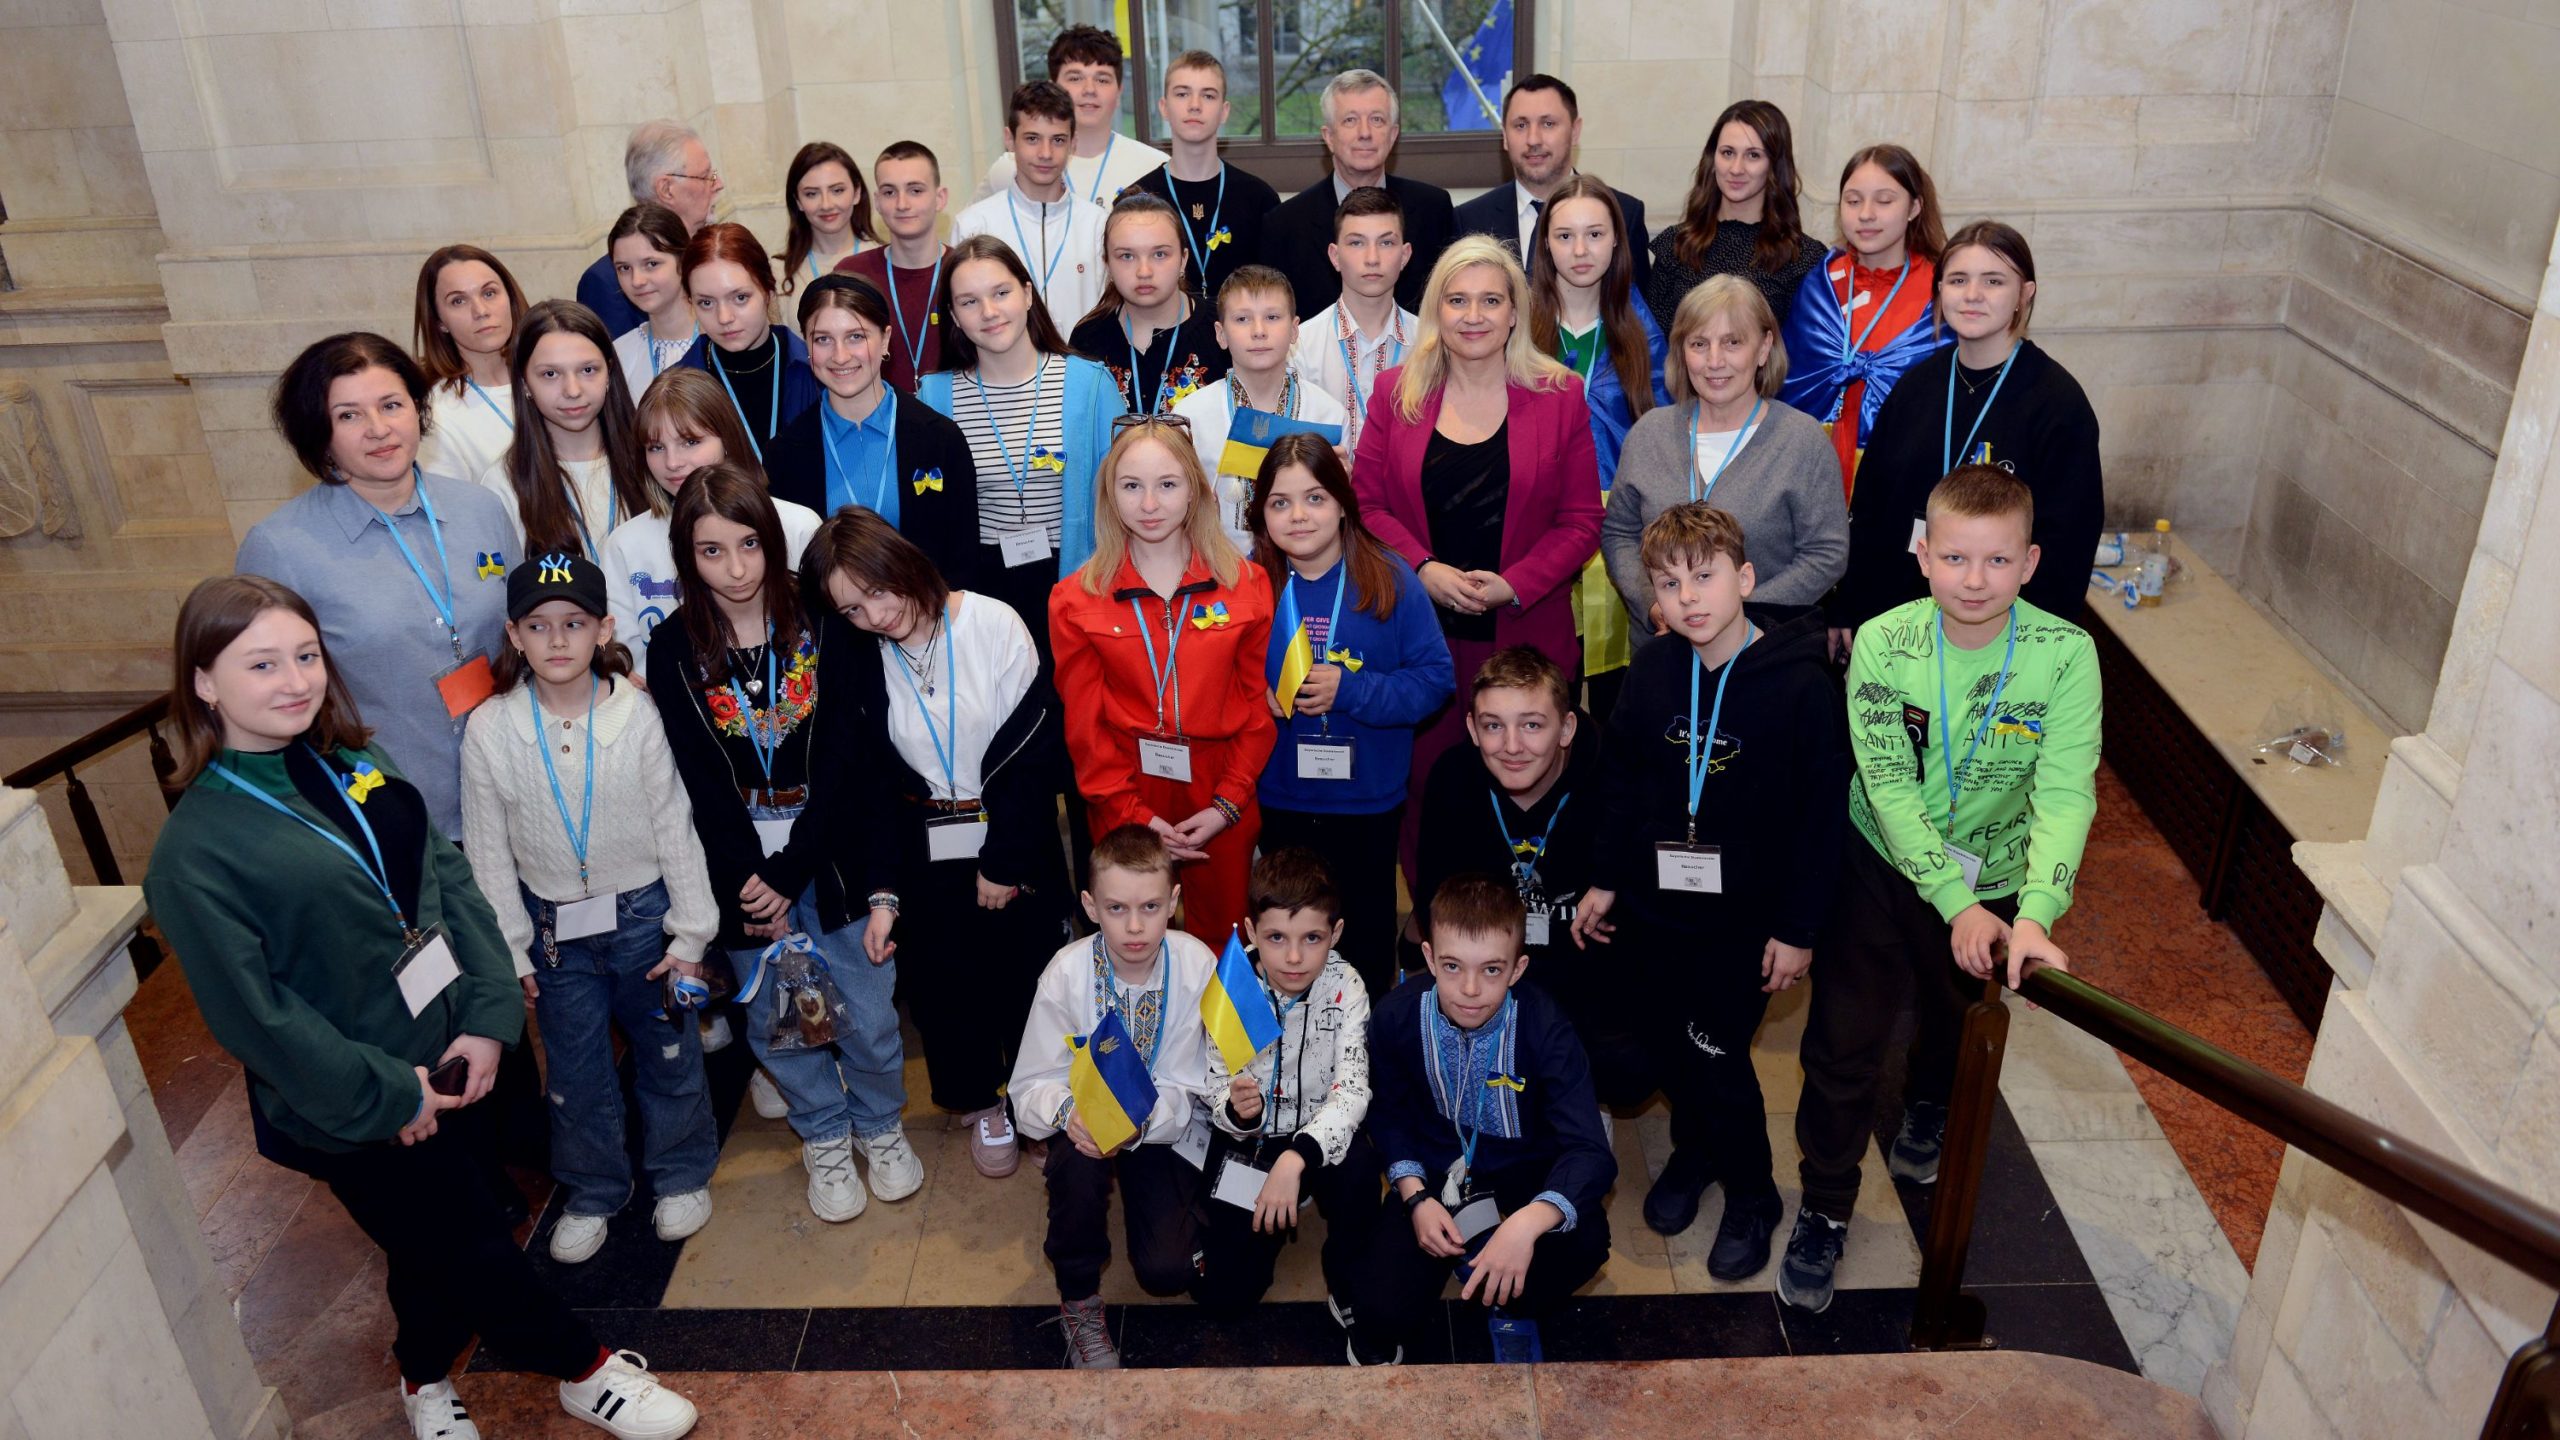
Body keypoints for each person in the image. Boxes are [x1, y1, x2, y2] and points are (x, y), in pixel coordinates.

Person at [144, 574, 700, 1440]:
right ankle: (585, 1371)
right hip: (352, 1098)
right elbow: (258, 1018)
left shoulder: (361, 761)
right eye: (261, 664)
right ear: (205, 683)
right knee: (471, 1238)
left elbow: (451, 891)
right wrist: (389, 1094)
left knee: (426, 1243)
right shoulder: (197, 849)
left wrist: (485, 1023)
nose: (295, 680)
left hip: (455, 1055)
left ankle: (422, 1375)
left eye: (305, 655)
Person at [1783, 465, 2097, 1315]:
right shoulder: (1884, 642)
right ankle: (1825, 1204)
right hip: (1881, 868)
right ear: (1922, 555)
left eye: (1997, 562)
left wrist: (2033, 914)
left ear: (2030, 563)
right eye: (1955, 557)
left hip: (1992, 886)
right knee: (1844, 1043)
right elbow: (1889, 787)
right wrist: (1950, 902)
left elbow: (2066, 793)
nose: (1974, 580)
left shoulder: (2067, 656)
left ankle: (1925, 1105)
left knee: (1954, 1028)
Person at [1571, 504, 1847, 1270]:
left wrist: (1799, 930)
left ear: (1745, 577)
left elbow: (1823, 819)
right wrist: (1602, 879)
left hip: (1748, 924)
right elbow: (1621, 777)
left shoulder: (1800, 687)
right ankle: (1697, 1153)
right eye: (1669, 582)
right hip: (1659, 910)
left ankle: (1755, 1195)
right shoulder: (1658, 667)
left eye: (1705, 575)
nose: (1689, 596)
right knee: (1671, 1044)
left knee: (1716, 1054)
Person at [647, 464, 920, 1224]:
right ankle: (825, 1135)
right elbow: (695, 780)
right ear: (685, 557)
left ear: (772, 541)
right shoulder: (671, 649)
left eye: (748, 544)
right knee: (785, 1020)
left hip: (828, 854)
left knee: (864, 1012)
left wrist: (793, 865)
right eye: (710, 552)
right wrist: (748, 879)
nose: (734, 569)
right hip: (739, 872)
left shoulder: (825, 621)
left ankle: (880, 1122)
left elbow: (848, 759)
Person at [459, 552, 721, 1265]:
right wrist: (510, 950)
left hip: (644, 919)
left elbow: (675, 824)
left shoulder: (636, 715)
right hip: (553, 934)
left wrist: (692, 932)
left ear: (604, 629)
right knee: (574, 1070)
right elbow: (487, 854)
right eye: (538, 627)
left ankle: (680, 1173)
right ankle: (595, 1187)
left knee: (668, 1052)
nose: (557, 641)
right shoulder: (491, 729)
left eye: (574, 624)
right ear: (513, 636)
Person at [808, 508, 1070, 1179]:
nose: (873, 614)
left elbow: (1034, 756)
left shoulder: (992, 622)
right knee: (946, 986)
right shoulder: (862, 661)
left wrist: (1005, 860)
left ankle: (1037, 1101)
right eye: (851, 610)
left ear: (902, 563)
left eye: (876, 590)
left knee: (1030, 979)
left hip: (1010, 834)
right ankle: (981, 1102)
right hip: (925, 845)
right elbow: (873, 792)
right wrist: (885, 896)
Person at [1349, 236, 1602, 868]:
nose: (1474, 315)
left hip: (1524, 628)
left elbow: (1581, 520)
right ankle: (1434, 921)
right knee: (1432, 787)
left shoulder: (1560, 394)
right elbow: (1367, 506)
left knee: (1528, 781)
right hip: (1421, 634)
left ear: (1516, 310)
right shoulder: (1393, 393)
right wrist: (1424, 571)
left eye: (1491, 300)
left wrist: (1513, 583)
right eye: (1457, 300)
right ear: (1437, 310)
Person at [239, 332, 514, 842]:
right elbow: (262, 704)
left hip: (514, 796)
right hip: (388, 813)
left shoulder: (481, 510)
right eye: (348, 415)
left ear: (418, 408)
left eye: (391, 405)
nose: (378, 429)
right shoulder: (280, 548)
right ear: (318, 433)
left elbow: (525, 635)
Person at [1350, 872, 1614, 1367]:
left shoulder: (1546, 1026)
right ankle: (1459, 1255)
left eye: (1492, 970)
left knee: (1584, 1240)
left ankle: (1511, 1300)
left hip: (1524, 1177)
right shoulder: (1396, 1016)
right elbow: (1387, 1113)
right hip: (1432, 1176)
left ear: (1518, 969)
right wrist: (1415, 1198)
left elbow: (1590, 1150)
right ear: (1428, 958)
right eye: (1452, 966)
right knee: (1380, 1313)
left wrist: (1528, 1224)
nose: (1470, 989)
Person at [1051, 418, 1275, 944]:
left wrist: (1227, 804)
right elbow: (1085, 731)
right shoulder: (1075, 599)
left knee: (1225, 939)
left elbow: (1256, 713)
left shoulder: (1246, 585)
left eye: (1167, 485)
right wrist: (1133, 816)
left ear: (1195, 490)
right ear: (1110, 494)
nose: (1149, 504)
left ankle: (1219, 1032)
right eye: (1132, 486)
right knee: (1132, 938)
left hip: (1220, 789)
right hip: (1125, 790)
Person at [1247, 434, 1451, 995]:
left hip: (1366, 803)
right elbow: (1214, 680)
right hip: (1281, 798)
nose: (1299, 516)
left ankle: (1367, 1066)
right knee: (1289, 943)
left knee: (1360, 943)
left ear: (1342, 502)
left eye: (1314, 498)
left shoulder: (1389, 578)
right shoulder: (1248, 586)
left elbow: (1437, 681)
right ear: (1261, 513)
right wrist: (1251, 696)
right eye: (1280, 502)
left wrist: (1353, 690)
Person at [1007, 823, 1216, 1370]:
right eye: (1117, 908)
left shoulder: (1197, 966)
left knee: (1166, 1272)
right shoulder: (1065, 973)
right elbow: (1027, 1087)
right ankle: (1079, 1297)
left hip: (1160, 1130)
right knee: (1075, 1170)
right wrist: (1068, 1114)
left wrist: (1141, 1125)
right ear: (1090, 906)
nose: (1135, 926)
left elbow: (1198, 1086)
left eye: (1150, 906)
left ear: (1173, 900)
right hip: (1086, 1129)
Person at [1832, 220, 2103, 632]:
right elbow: (1872, 513)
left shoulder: (2058, 405)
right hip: (1900, 622)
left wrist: (2035, 643)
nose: (1973, 295)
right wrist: (1852, 608)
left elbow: (2067, 547)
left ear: (2024, 294)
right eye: (1958, 280)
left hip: (2002, 631)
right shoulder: (1914, 387)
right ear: (1940, 291)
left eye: (1993, 281)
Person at [1604, 276, 1845, 639]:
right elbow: (1619, 532)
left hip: (1767, 650)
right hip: (1664, 651)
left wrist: (1738, 620)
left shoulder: (1802, 440)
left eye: (1733, 342)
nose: (1714, 361)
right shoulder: (1648, 434)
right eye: (1699, 343)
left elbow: (1826, 553)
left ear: (1764, 348)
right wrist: (1656, 603)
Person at [1195, 849, 1380, 1319]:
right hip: (1253, 1142)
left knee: (1360, 1172)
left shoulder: (1347, 986)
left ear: (1335, 934)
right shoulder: (1232, 986)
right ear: (1252, 931)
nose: (1294, 957)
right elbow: (1213, 1083)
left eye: (1312, 938)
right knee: (1229, 1295)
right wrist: (1235, 1111)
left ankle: (1346, 1274)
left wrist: (1298, 1156)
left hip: (1319, 1139)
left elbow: (1353, 1089)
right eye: (1276, 937)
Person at [917, 235, 1125, 649]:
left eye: (1001, 293)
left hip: (1078, 582)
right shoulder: (934, 398)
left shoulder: (1090, 385)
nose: (989, 312)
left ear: (1028, 294)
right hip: (978, 596)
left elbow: (1124, 496)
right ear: (954, 316)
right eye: (969, 301)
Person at [1527, 171, 1669, 721]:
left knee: (1614, 690)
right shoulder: (1521, 324)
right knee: (1545, 682)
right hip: (1542, 522)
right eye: (1564, 236)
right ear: (1545, 244)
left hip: (1620, 522)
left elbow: (1658, 433)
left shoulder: (1642, 329)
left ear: (1617, 242)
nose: (1580, 250)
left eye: (1594, 234)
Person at [1410, 647, 1603, 1038]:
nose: (1512, 747)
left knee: (1624, 1060)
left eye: (1532, 725)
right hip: (1482, 972)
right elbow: (1435, 900)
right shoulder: (1452, 779)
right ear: (1471, 728)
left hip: (1582, 971)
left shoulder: (1610, 779)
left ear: (1566, 729)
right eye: (1493, 726)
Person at [765, 276, 983, 585]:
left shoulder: (940, 438)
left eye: (855, 337)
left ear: (884, 340)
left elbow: (964, 563)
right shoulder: (784, 455)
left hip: (931, 623)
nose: (840, 356)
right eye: (823, 339)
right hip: (833, 629)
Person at [604, 369, 822, 672]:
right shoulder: (625, 544)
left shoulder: (797, 525)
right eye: (656, 447)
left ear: (727, 439)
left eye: (690, 442)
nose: (673, 462)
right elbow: (628, 661)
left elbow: (825, 637)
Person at [1778, 143, 1950, 497]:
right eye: (1853, 201)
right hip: (1813, 472)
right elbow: (1790, 385)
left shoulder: (1942, 293)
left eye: (1884, 201)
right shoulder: (1819, 283)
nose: (1866, 214)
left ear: (1915, 207)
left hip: (1904, 479)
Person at [1171, 265, 1348, 555]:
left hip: (1303, 568)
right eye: (1242, 319)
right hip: (1219, 572)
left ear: (1294, 330)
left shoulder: (1328, 414)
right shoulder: (1189, 416)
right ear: (1221, 333)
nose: (1258, 331)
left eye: (1272, 317)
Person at [1260, 69, 1456, 316]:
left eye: (1377, 120)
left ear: (1393, 135)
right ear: (1328, 137)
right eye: (1350, 120)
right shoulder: (1285, 224)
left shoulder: (1434, 210)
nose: (1365, 133)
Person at [479, 300, 655, 561]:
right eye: (550, 374)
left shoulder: (654, 461)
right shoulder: (502, 485)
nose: (572, 390)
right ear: (525, 383)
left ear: (609, 372)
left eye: (587, 370)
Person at [1452, 75, 1650, 295]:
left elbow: (1636, 316)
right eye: (1520, 125)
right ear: (1505, 137)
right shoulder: (1469, 220)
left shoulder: (1624, 213)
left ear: (1575, 132)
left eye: (1548, 124)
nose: (1533, 139)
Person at [1643, 100, 1826, 332]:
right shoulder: (1676, 245)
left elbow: (1805, 353)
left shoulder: (1803, 259)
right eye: (1728, 153)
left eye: (1753, 156)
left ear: (1774, 166)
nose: (1736, 168)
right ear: (1712, 160)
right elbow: (1653, 346)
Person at [1122, 50, 1281, 305]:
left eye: (1208, 95)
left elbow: (1274, 296)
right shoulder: (1137, 200)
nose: (1194, 105)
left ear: (1224, 110)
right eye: (1182, 94)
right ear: (1164, 107)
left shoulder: (1259, 199)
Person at [952, 82, 1109, 335]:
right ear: (1009, 139)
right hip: (1001, 371)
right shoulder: (974, 226)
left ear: (1073, 144)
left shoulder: (1097, 224)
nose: (1045, 153)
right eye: (1032, 139)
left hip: (1082, 368)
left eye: (1058, 140)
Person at [1066, 191, 1228, 417]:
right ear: (1107, 264)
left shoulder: (1222, 328)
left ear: (1183, 259)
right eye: (1127, 256)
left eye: (1160, 254)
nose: (1144, 272)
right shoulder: (1088, 339)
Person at [675, 222, 822, 464]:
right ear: (690, 302)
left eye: (740, 298)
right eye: (706, 303)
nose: (725, 318)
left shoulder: (816, 370)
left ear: (768, 291)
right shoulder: (677, 388)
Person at [976, 24, 1169, 206]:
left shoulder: (1154, 166)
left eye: (1102, 79)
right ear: (1053, 87)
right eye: (1075, 78)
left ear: (1119, 92)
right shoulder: (1010, 169)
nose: (1089, 89)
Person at [1292, 186, 1419, 455]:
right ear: (1335, 256)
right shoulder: (1300, 345)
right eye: (1357, 243)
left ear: (1405, 255)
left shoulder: (1430, 343)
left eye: (1386, 243)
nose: (1372, 259)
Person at [580, 120, 723, 337]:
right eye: (705, 177)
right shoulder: (604, 283)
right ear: (666, 189)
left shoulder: (716, 250)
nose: (718, 184)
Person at [836, 141, 953, 392]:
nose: (902, 204)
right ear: (877, 202)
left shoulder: (963, 271)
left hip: (960, 416)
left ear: (940, 198)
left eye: (915, 190)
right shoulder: (852, 275)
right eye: (890, 192)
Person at [411, 244, 526, 490]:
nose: (481, 311)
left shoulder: (552, 374)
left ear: (510, 298)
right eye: (458, 301)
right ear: (439, 321)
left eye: (489, 293)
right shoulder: (437, 415)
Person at [608, 203, 702, 388]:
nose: (637, 281)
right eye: (624, 268)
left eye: (651, 264)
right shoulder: (621, 354)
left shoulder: (723, 335)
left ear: (683, 261)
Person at [779, 140, 878, 298]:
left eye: (837, 190)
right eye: (812, 193)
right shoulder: (778, 274)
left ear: (857, 192)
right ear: (798, 201)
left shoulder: (885, 262)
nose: (826, 204)